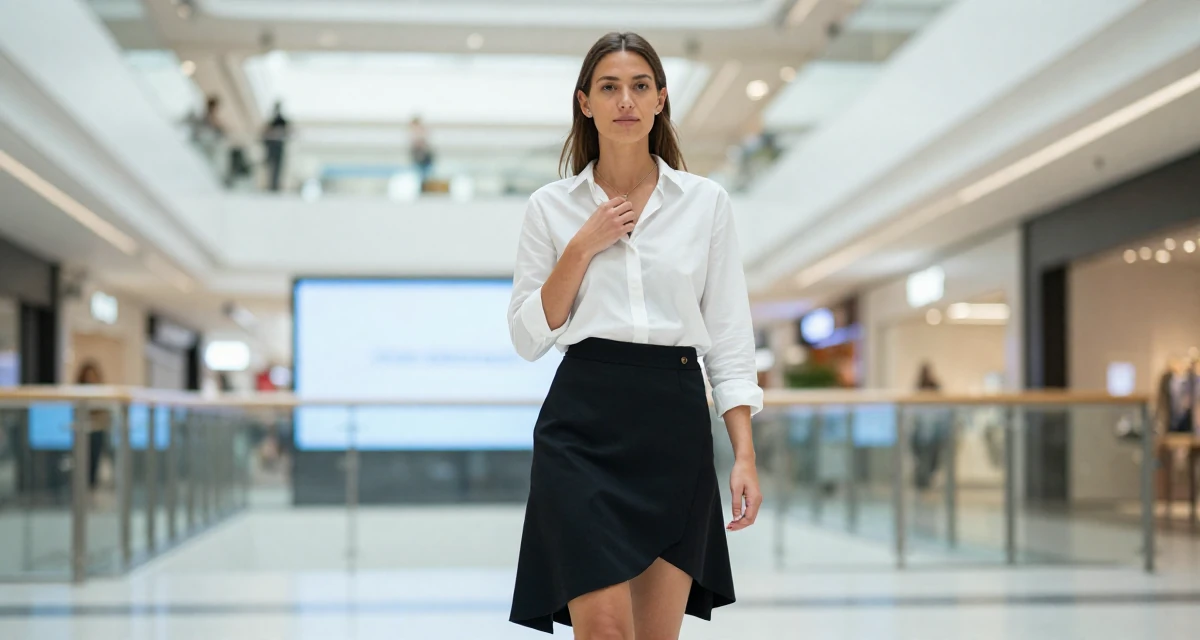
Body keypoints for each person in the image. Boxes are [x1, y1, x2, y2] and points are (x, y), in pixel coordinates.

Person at [507, 32, 763, 638]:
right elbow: (526, 337)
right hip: (582, 425)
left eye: (640, 86)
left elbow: (728, 335)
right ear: (585, 103)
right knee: (602, 630)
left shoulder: (705, 203)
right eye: (609, 87)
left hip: (673, 420)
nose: (626, 99)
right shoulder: (551, 208)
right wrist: (582, 246)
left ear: (660, 100)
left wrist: (744, 453)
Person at [76, 361, 108, 490]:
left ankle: (91, 487)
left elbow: (103, 414)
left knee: (94, 462)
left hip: (97, 431)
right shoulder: (77, 392)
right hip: (81, 432)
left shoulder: (101, 392)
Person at [261, 101, 290, 192]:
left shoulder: (281, 120)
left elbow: (286, 132)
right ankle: (271, 185)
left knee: (277, 167)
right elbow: (265, 132)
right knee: (271, 166)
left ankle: (275, 186)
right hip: (272, 146)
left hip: (278, 146)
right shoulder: (272, 120)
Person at [409, 116, 434, 188]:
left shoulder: (420, 132)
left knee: (424, 176)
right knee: (419, 176)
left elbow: (423, 145)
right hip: (418, 157)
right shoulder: (415, 132)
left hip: (424, 157)